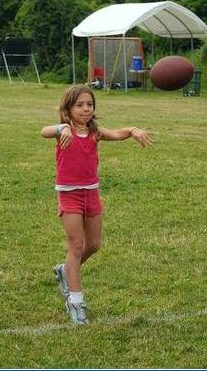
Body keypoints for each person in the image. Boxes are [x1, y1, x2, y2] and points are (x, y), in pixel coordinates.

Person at [41, 85, 153, 325]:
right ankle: (76, 302)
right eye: (79, 105)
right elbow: (44, 131)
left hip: (91, 193)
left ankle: (65, 271)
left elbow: (117, 133)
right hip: (69, 195)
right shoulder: (64, 131)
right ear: (68, 108)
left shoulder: (95, 132)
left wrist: (133, 130)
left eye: (89, 105)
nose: (85, 109)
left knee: (93, 244)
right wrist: (61, 128)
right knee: (76, 246)